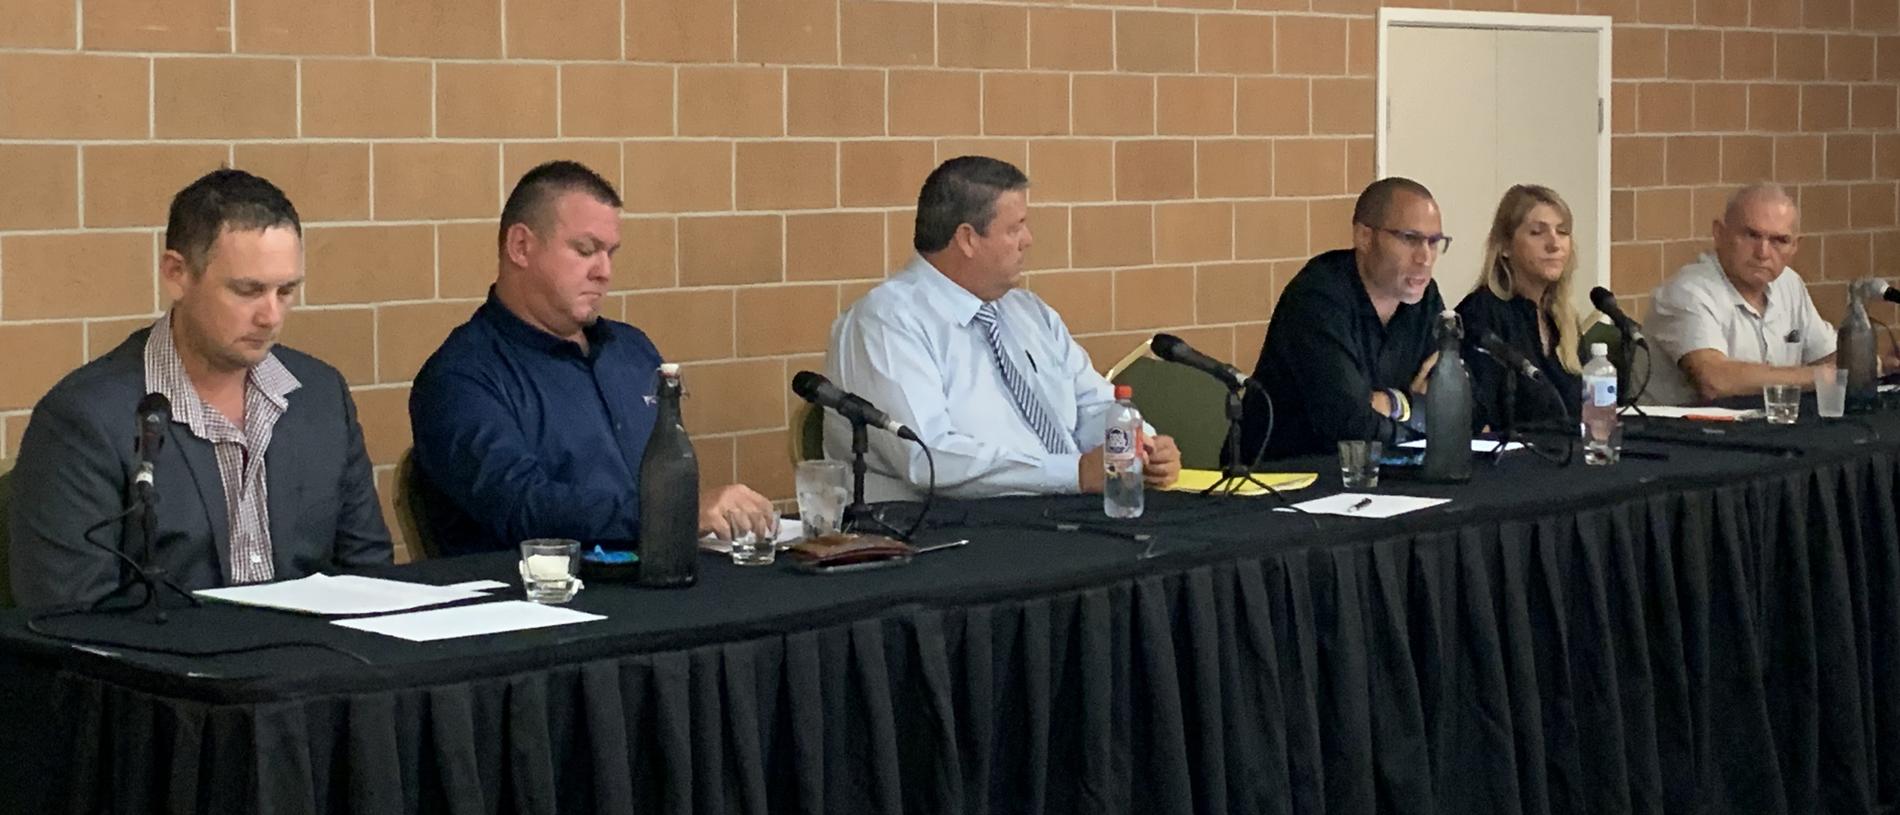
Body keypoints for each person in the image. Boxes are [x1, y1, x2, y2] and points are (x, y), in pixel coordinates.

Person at [9, 169, 391, 607]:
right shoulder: (84, 420)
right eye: (247, 290)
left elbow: (369, 576)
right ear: (177, 274)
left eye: (286, 291)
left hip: (318, 667)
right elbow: (70, 619)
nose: (271, 316)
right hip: (163, 671)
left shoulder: (320, 396)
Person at [408, 161, 776, 556]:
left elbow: (671, 473)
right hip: (539, 599)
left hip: (658, 579)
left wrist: (693, 513)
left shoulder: (633, 351)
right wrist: (669, 514)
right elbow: (523, 507)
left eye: (610, 253)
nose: (604, 272)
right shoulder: (461, 377)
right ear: (520, 246)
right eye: (585, 250)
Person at [825, 156, 1182, 501]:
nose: (1028, 240)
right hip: (943, 532)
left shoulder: (1028, 313)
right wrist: (1072, 472)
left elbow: (1092, 404)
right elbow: (925, 457)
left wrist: (1140, 447)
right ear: (967, 239)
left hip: (1059, 514)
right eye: (1014, 228)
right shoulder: (886, 321)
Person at [1238, 177, 1448, 460]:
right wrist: (1413, 409)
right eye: (1409, 239)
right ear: (1364, 237)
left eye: (1434, 242)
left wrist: (1390, 404)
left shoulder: (1425, 297)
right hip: (1286, 476)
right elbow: (1348, 425)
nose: (1425, 258)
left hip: (1383, 476)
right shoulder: (1318, 297)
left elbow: (1454, 409)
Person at [1644, 182, 1836, 405]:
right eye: (1751, 235)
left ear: (1795, 246)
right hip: (1678, 435)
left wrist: (1873, 363)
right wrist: (1821, 376)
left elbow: (1827, 355)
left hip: (1760, 430)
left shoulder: (1789, 283)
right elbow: (1715, 380)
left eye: (1779, 241)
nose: (1763, 253)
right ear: (1719, 233)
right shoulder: (1688, 292)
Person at [1454, 184, 1585, 428]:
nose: (1554, 244)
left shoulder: (1562, 318)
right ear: (1504, 246)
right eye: (1537, 232)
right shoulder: (1481, 314)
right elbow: (1479, 420)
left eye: (1563, 232)